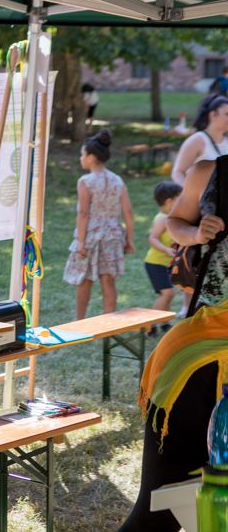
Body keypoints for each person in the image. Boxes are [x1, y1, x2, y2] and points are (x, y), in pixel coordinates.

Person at [119, 156, 228, 531]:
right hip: (197, 351)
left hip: (194, 354)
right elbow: (175, 222)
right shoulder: (211, 171)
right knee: (161, 511)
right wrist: (196, 234)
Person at [63, 130, 135, 320]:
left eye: (82, 154)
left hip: (91, 237)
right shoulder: (117, 180)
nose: (81, 158)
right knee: (108, 280)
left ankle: (79, 322)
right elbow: (128, 212)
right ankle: (109, 325)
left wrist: (80, 242)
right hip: (113, 236)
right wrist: (130, 239)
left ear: (91, 157)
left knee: (84, 280)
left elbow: (83, 213)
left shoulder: (86, 181)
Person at [143, 181, 184, 333]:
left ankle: (164, 323)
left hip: (166, 264)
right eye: (180, 199)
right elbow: (152, 238)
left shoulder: (172, 217)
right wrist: (166, 249)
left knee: (168, 294)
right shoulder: (162, 218)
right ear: (169, 201)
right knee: (168, 293)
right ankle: (149, 325)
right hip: (155, 264)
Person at [171, 94, 228, 185]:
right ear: (213, 115)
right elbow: (178, 172)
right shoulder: (197, 140)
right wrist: (191, 192)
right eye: (227, 114)